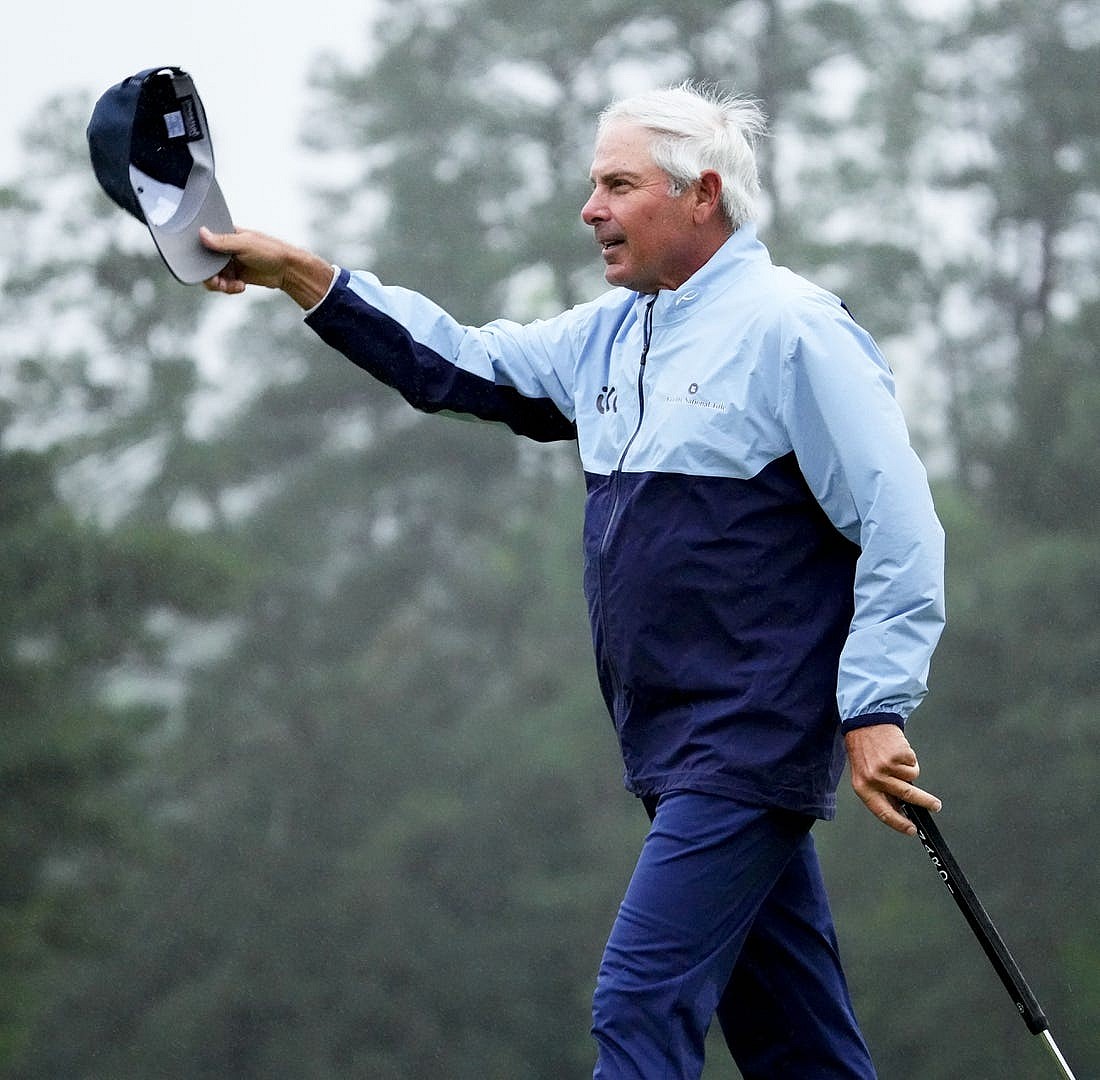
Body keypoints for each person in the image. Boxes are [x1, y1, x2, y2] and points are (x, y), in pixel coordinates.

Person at [201, 82, 946, 1079]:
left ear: (701, 195)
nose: (588, 207)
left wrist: (874, 706)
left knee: (637, 1002)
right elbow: (452, 363)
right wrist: (299, 273)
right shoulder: (609, 335)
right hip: (666, 743)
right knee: (796, 1047)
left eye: (617, 184)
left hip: (746, 737)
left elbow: (895, 523)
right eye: (592, 183)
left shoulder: (794, 331)